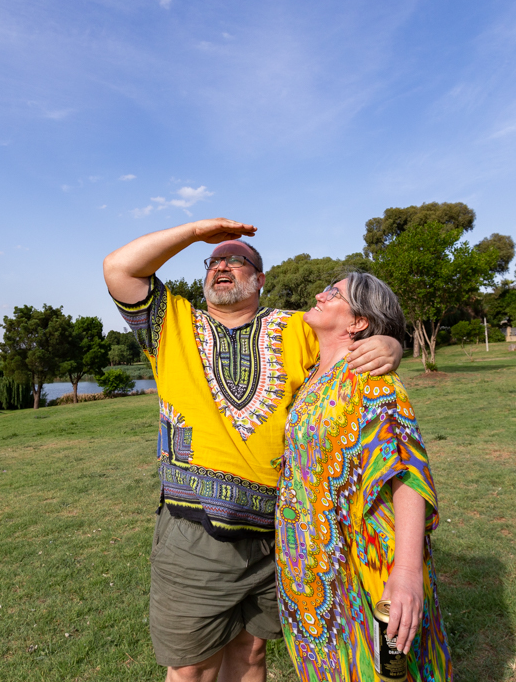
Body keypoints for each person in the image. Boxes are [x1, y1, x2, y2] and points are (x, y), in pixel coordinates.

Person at [103, 218, 403, 682]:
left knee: (251, 655)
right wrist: (197, 231)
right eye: (214, 261)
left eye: (237, 261)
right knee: (191, 669)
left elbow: (350, 341)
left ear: (260, 279)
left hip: (278, 534)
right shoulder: (173, 323)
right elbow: (119, 267)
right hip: (196, 531)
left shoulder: (295, 328)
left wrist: (390, 343)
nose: (222, 266)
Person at [275, 272, 451, 682]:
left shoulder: (372, 381)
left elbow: (407, 473)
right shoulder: (312, 380)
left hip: (366, 564)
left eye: (333, 293)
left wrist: (406, 574)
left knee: (385, 671)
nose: (319, 294)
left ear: (358, 323)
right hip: (314, 571)